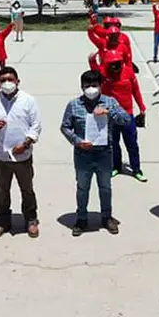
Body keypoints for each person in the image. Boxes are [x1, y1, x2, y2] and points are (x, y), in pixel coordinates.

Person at [60, 70, 131, 236]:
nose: (91, 88)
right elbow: (65, 127)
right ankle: (82, 218)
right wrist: (77, 141)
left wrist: (109, 112)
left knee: (105, 187)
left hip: (104, 153)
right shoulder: (74, 105)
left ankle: (106, 217)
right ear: (81, 87)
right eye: (87, 86)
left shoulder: (110, 102)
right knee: (82, 187)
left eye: (94, 85)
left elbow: (126, 120)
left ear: (101, 86)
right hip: (83, 154)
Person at [0, 66, 42, 238]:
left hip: (22, 155)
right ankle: (3, 222)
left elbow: (36, 125)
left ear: (17, 81)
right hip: (1, 156)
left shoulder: (28, 100)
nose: (7, 83)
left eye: (10, 79)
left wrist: (26, 143)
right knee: (2, 190)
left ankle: (31, 219)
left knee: (27, 189)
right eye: (3, 80)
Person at [88, 49, 147, 182]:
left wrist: (141, 107)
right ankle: (116, 167)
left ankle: (136, 169)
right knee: (113, 143)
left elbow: (135, 90)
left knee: (132, 144)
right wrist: (92, 60)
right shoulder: (104, 73)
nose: (115, 66)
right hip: (111, 116)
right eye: (112, 64)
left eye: (117, 63)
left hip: (128, 115)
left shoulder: (129, 72)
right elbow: (95, 71)